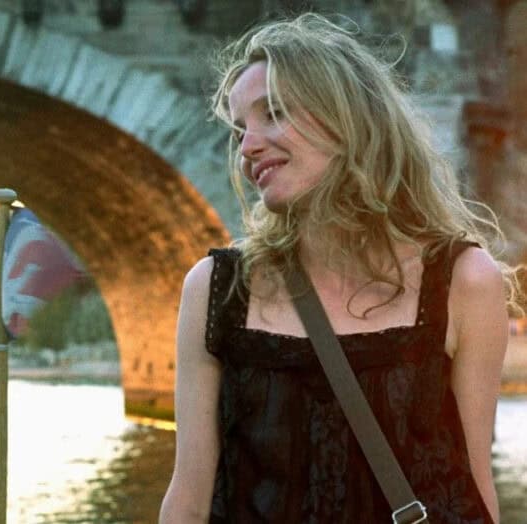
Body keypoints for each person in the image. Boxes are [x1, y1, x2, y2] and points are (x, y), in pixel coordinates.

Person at [159, 13, 519, 524]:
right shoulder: (217, 289)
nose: (247, 146)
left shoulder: (465, 281)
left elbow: (473, 488)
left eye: (273, 113)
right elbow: (188, 500)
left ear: (348, 119)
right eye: (239, 131)